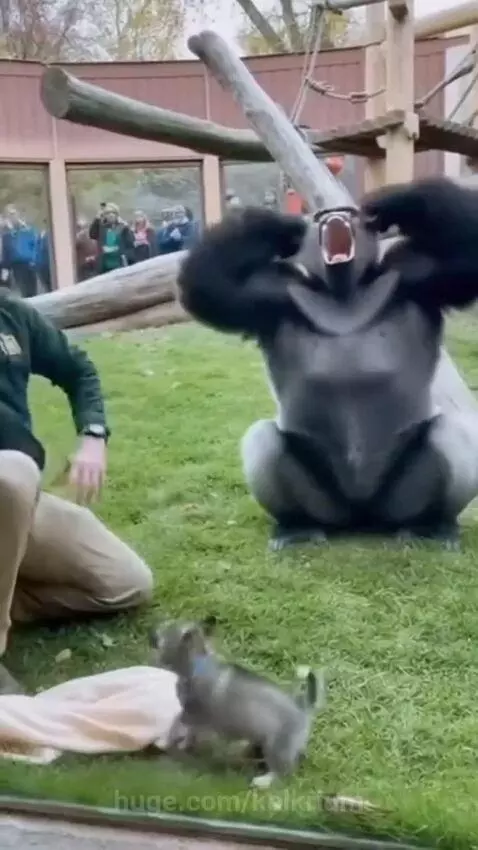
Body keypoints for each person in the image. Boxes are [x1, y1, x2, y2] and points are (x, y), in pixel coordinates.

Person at [0, 291, 153, 694]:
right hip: (11, 478)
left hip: (18, 498)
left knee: (126, 583)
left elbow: (77, 369)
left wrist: (93, 435)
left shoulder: (11, 314)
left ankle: (6, 597)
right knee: (12, 472)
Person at [89, 203, 134, 274]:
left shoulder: (123, 228)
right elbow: (92, 235)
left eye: (113, 212)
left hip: (118, 264)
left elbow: (130, 247)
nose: (110, 215)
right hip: (104, 265)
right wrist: (97, 218)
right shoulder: (102, 227)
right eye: (107, 213)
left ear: (117, 215)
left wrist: (119, 251)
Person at [3, 206, 38, 298]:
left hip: (29, 262)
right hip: (17, 265)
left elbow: (34, 244)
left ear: (17, 214)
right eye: (10, 214)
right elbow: (6, 250)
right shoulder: (6, 232)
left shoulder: (26, 228)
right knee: (24, 288)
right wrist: (5, 268)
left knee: (32, 287)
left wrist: (34, 259)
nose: (12, 216)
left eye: (13, 214)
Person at [75, 218, 98, 282]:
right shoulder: (79, 237)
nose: (83, 230)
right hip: (82, 266)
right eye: (79, 227)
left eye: (84, 227)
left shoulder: (91, 237)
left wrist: (94, 257)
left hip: (91, 265)